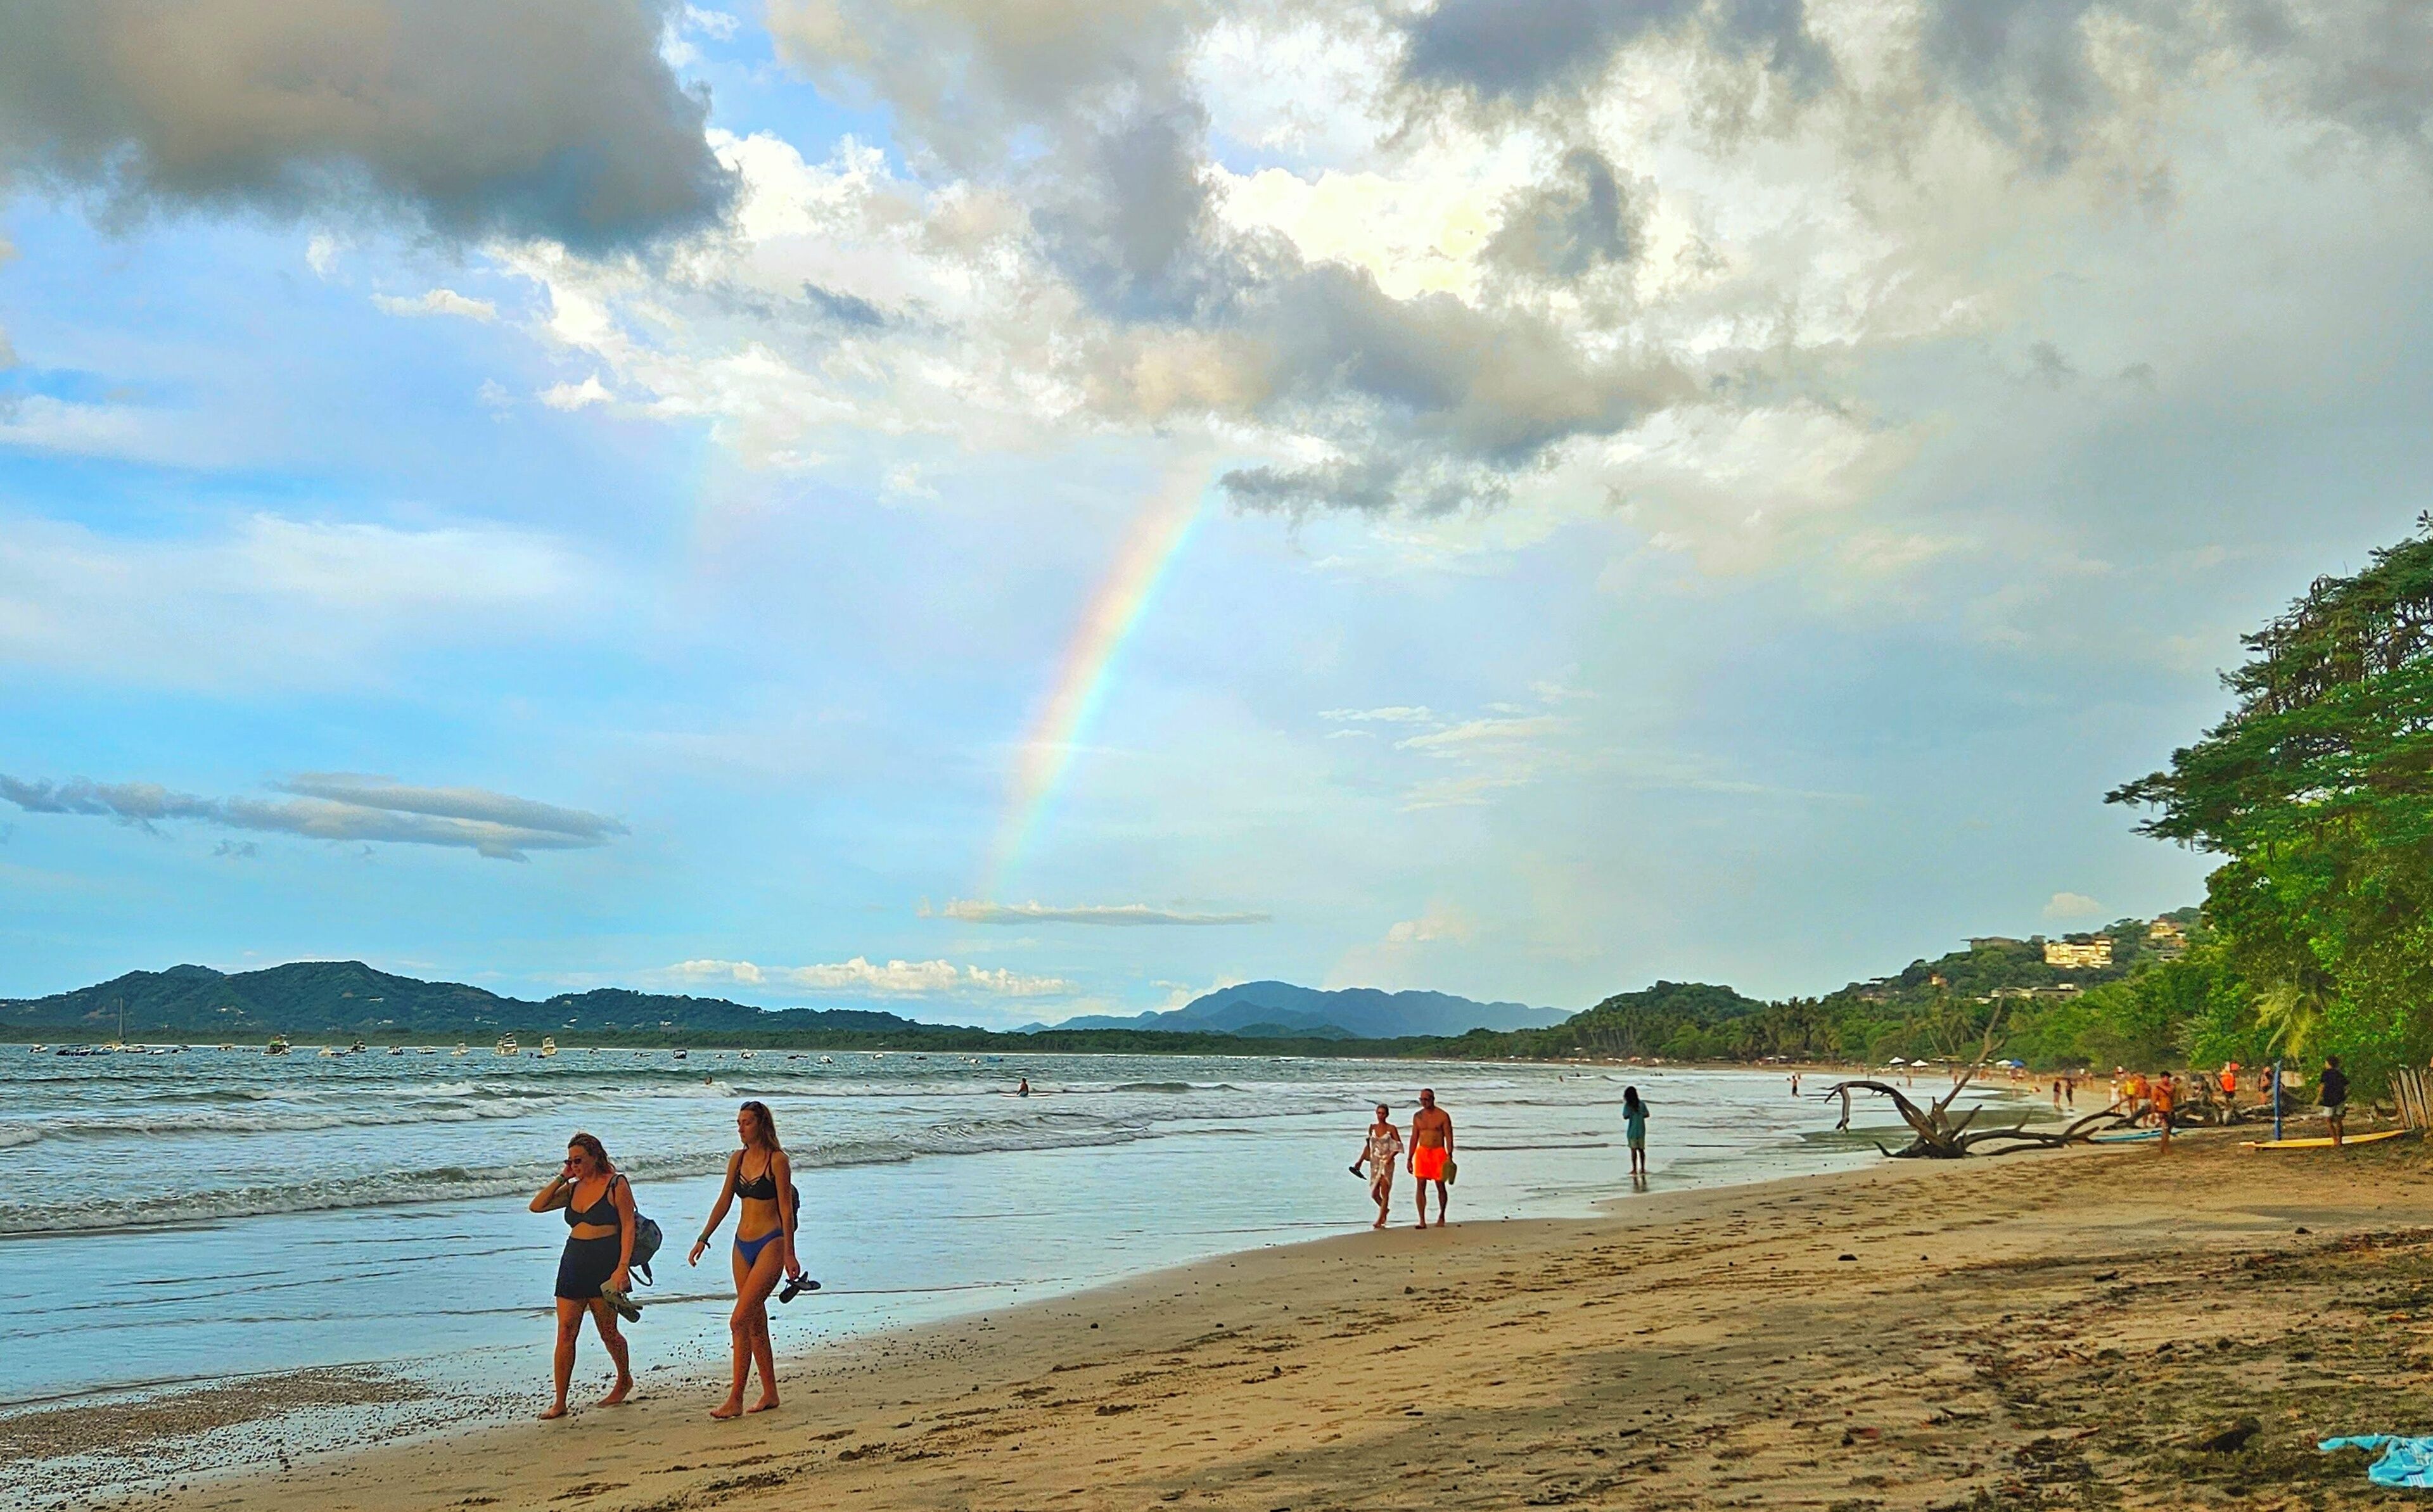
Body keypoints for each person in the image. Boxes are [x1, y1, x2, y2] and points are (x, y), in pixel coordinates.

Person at [687, 1100, 801, 1418]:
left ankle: (735, 1398)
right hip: (742, 1245)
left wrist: (790, 1253)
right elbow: (725, 1200)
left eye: (747, 1122)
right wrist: (703, 1237)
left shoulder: (778, 1161)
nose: (740, 1128)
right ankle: (770, 1393)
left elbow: (785, 1209)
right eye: (738, 1122)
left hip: (771, 1244)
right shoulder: (737, 1160)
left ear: (762, 1124)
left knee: (738, 1320)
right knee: (753, 1320)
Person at [528, 1131, 636, 1420]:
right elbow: (536, 1206)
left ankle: (624, 1379)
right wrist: (562, 1178)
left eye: (578, 1160)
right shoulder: (572, 1188)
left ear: (596, 1157)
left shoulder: (616, 1184)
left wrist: (622, 1268)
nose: (574, 1165)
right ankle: (560, 1401)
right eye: (569, 1161)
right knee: (566, 1331)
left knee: (608, 1332)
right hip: (574, 1261)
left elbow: (628, 1227)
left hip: (604, 1263)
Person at [1409, 1088, 1454, 1229]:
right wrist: (1410, 1158)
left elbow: (1448, 1136)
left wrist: (1449, 1155)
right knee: (1420, 1185)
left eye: (1426, 1099)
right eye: (1421, 1100)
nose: (1424, 1102)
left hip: (1438, 1152)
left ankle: (1442, 1215)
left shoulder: (1442, 1116)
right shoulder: (1418, 1116)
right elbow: (1414, 1137)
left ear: (1433, 1099)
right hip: (1422, 1152)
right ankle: (1422, 1220)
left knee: (1440, 1185)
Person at [1352, 1103, 1402, 1229]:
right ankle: (1384, 1210)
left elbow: (1399, 1145)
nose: (1380, 1116)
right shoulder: (1372, 1128)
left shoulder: (1391, 1128)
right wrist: (1360, 1161)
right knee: (1374, 1193)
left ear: (1387, 1114)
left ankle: (1380, 1220)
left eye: (1383, 1113)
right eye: (1379, 1113)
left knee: (1385, 1191)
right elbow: (1369, 1146)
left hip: (1386, 1162)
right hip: (1375, 1162)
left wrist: (1391, 1157)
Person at [2320, 1056, 2350, 1147]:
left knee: (2328, 1120)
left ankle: (2335, 1140)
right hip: (2340, 1099)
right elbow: (2347, 1087)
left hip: (2329, 1100)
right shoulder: (2340, 1074)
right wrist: (2345, 1096)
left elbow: (2322, 1086)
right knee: (2339, 1120)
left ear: (2328, 1064)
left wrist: (2318, 1097)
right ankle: (2340, 1141)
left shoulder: (2325, 1074)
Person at [1623, 1086, 1649, 1177]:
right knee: (1641, 1150)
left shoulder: (1628, 1106)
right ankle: (1642, 1168)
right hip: (1641, 1130)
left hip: (1632, 1131)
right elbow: (1647, 1115)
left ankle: (1634, 1169)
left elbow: (1625, 1116)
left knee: (1633, 1151)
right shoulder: (1642, 1104)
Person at [2151, 1073, 2176, 1153]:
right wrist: (2153, 1114)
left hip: (2170, 1110)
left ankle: (2162, 1146)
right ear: (2162, 1078)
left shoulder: (2170, 1087)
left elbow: (2171, 1091)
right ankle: (2165, 1148)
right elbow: (2153, 1102)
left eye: (2169, 1078)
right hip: (2162, 1111)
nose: (2168, 1080)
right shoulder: (2156, 1089)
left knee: (2168, 1130)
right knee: (2165, 1129)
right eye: (2167, 1078)